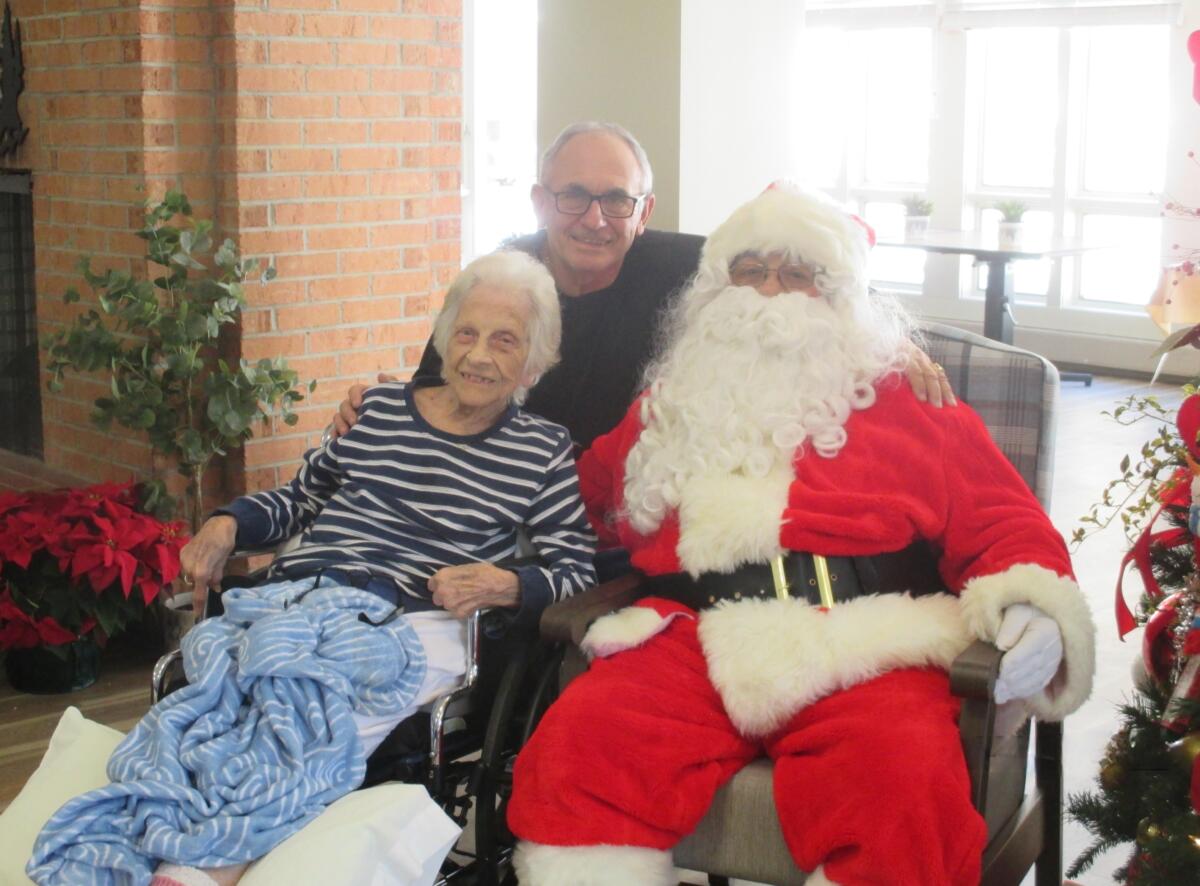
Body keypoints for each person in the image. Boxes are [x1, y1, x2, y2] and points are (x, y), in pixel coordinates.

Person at [503, 184, 1096, 886]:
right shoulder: (671, 403)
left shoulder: (909, 398)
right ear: (718, 290)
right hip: (691, 640)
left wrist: (1029, 605)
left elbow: (1003, 519)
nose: (769, 291)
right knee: (581, 746)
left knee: (902, 783)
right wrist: (457, 437)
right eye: (750, 270)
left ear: (838, 294)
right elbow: (572, 496)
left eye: (796, 273)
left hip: (862, 643)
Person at [26, 251, 596, 886]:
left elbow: (576, 569)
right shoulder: (378, 409)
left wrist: (507, 583)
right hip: (304, 596)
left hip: (413, 618)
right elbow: (299, 501)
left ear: (533, 361)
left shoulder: (542, 451)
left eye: (504, 341)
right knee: (212, 710)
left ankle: (202, 868)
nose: (478, 355)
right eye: (466, 333)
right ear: (443, 339)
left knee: (304, 716)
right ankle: (139, 836)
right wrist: (227, 524)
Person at [331, 122, 956, 452]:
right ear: (540, 201)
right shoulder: (499, 277)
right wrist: (376, 410)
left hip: (616, 510)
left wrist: (891, 342)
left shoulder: (687, 266)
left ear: (645, 210)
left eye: (616, 200)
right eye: (574, 196)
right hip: (508, 498)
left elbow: (800, 273)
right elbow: (438, 388)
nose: (595, 219)